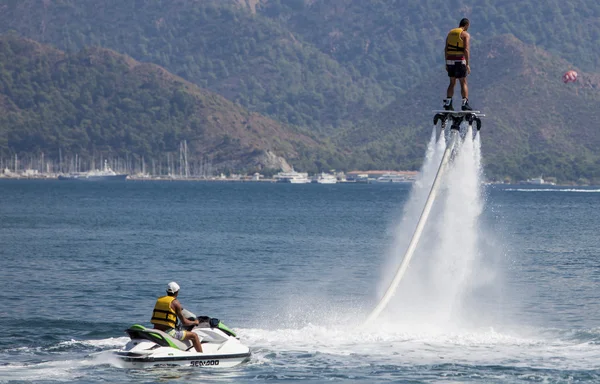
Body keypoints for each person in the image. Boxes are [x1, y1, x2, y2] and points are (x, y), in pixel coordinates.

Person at [150, 281, 203, 352]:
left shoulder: (159, 300)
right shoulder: (175, 303)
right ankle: (200, 357)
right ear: (177, 292)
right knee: (194, 336)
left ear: (167, 291)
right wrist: (195, 322)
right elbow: (184, 322)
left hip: (156, 329)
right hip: (169, 332)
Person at [443, 18, 472, 111]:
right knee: (463, 82)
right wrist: (467, 64)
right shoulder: (465, 34)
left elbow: (446, 49)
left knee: (452, 82)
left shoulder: (450, 34)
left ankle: (448, 102)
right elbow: (466, 49)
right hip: (460, 60)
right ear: (466, 25)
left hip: (450, 60)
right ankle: (465, 103)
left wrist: (446, 63)